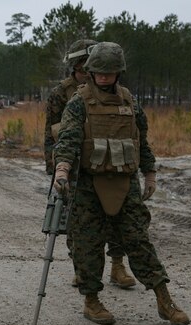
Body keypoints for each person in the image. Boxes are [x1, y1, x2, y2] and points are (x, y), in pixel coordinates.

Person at [53, 41, 189, 325]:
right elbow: (67, 140)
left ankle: (165, 301)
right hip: (90, 185)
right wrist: (62, 169)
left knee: (139, 241)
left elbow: (142, 141)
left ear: (118, 73)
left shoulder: (130, 101)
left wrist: (150, 173)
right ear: (90, 72)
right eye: (99, 73)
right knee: (88, 244)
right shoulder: (78, 102)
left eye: (110, 73)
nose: (104, 78)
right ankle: (91, 301)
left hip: (126, 183)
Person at [46, 39, 136, 289]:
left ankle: (118, 265)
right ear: (75, 67)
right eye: (83, 68)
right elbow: (50, 133)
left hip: (111, 162)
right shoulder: (62, 94)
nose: (90, 72)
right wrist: (54, 168)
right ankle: (82, 267)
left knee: (117, 217)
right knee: (78, 222)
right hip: (76, 167)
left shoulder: (114, 91)